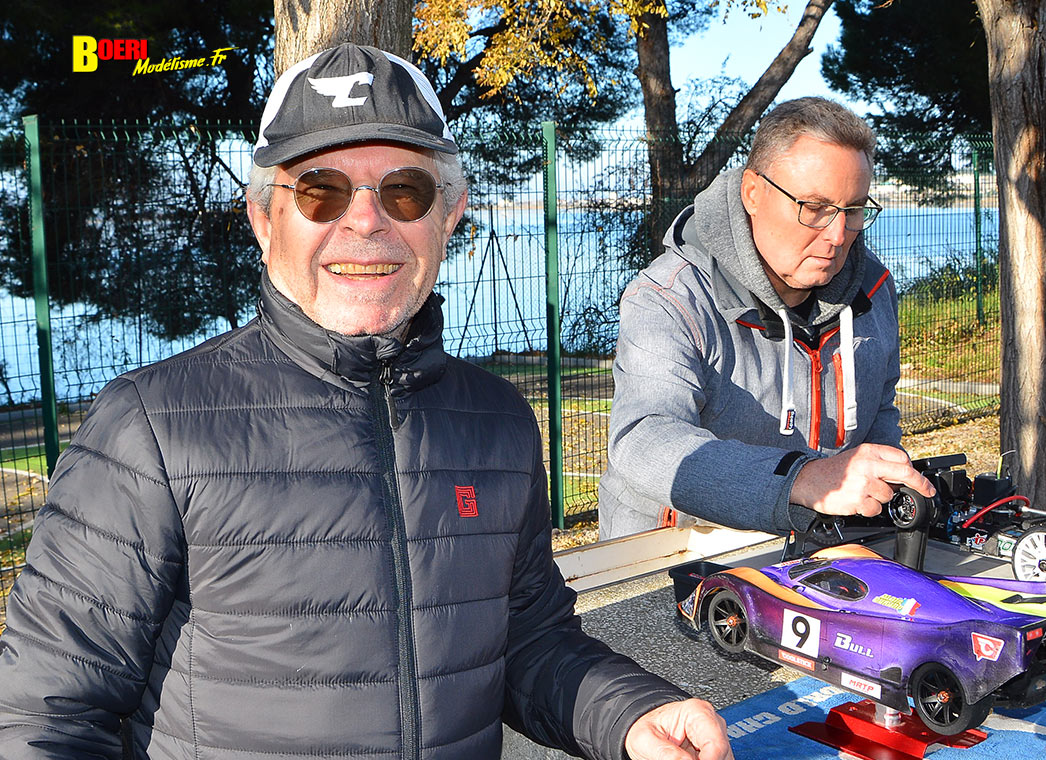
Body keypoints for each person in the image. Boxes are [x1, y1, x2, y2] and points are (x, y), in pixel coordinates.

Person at [0, 44, 731, 760]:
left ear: (449, 214)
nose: (365, 221)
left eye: (404, 191)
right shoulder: (150, 429)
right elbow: (42, 716)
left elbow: (525, 641)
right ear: (263, 220)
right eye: (320, 190)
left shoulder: (499, 424)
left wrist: (633, 715)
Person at [598, 96, 934, 540]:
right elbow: (643, 440)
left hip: (824, 550)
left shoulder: (873, 289)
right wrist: (801, 479)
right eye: (814, 207)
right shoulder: (668, 297)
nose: (837, 235)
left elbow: (879, 416)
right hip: (671, 558)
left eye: (853, 211)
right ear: (753, 194)